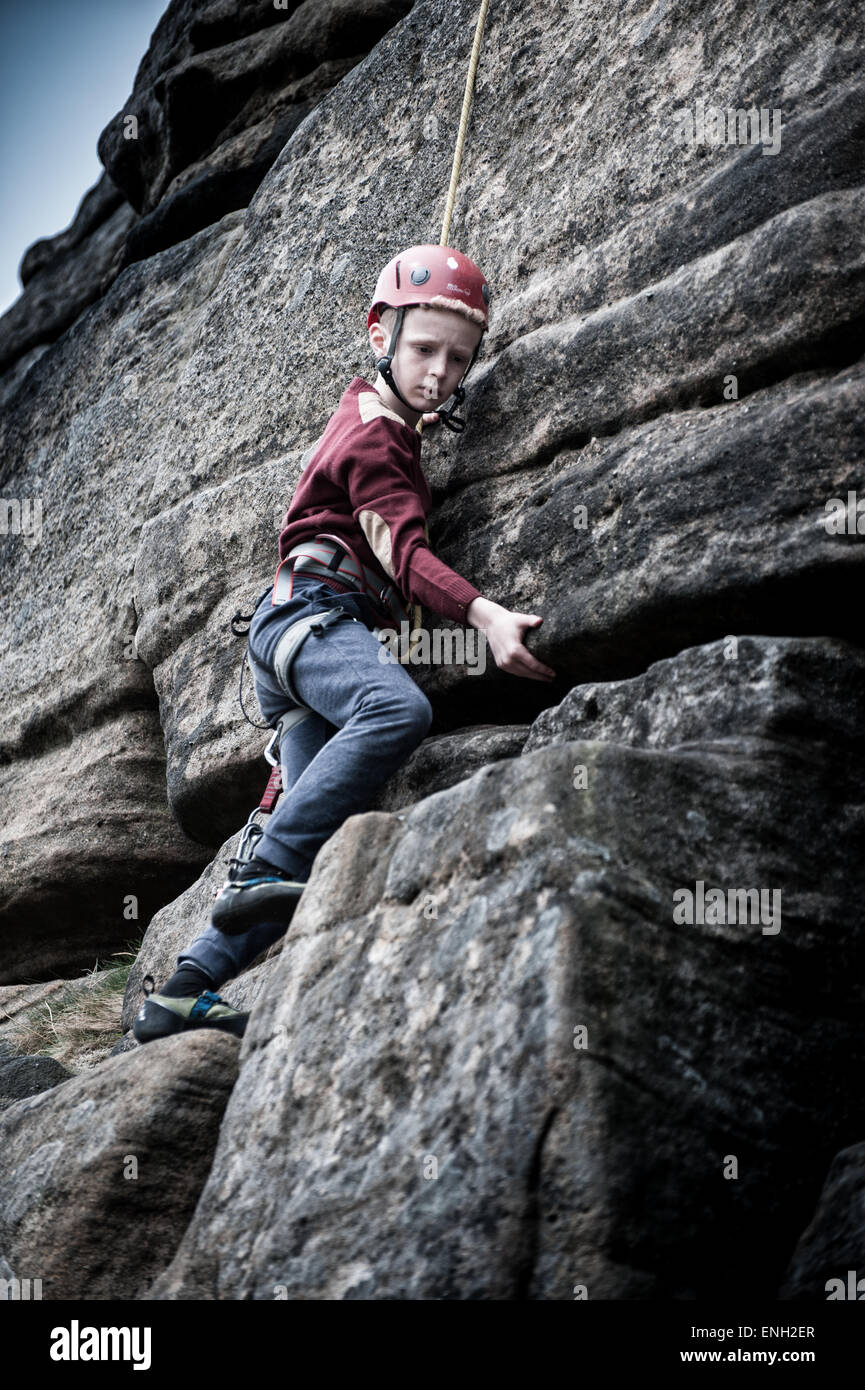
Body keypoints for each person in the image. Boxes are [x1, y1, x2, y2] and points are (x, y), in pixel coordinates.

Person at [133, 244, 555, 1045]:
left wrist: (415, 419)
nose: (439, 372)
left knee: (310, 828)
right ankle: (262, 873)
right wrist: (487, 617)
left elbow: (392, 451)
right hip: (313, 621)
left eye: (458, 359)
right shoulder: (374, 438)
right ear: (377, 335)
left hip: (300, 639)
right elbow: (404, 555)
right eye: (423, 349)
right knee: (393, 709)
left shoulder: (373, 416)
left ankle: (183, 989)